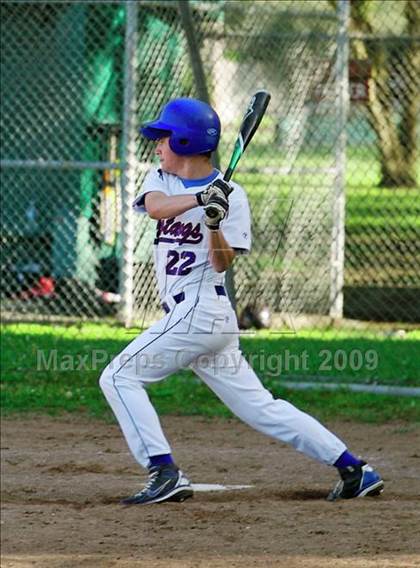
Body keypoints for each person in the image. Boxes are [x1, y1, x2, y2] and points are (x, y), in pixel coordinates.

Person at [99, 97, 384, 505]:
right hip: (196, 318)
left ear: (183, 141)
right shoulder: (161, 180)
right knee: (260, 407)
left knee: (118, 376)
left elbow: (222, 262)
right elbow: (157, 209)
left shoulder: (234, 196)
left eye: (163, 138)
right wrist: (201, 200)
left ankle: (163, 471)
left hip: (200, 310)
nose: (157, 146)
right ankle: (353, 469)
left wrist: (214, 224)